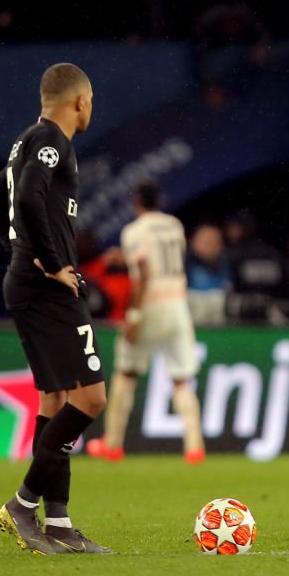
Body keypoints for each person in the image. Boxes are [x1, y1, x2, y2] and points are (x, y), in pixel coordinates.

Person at [0, 63, 109, 554]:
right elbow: (29, 196)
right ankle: (22, 503)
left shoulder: (24, 141)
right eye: (91, 100)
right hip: (48, 288)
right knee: (91, 399)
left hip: (25, 283)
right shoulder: (52, 142)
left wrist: (20, 252)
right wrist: (53, 263)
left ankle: (58, 523)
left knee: (54, 401)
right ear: (80, 101)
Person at [85, 178, 204, 464]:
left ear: (136, 202)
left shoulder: (134, 230)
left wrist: (134, 316)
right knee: (181, 379)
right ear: (160, 201)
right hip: (178, 304)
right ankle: (194, 447)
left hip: (150, 306)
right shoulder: (174, 225)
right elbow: (163, 260)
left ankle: (112, 444)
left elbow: (146, 273)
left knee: (126, 373)